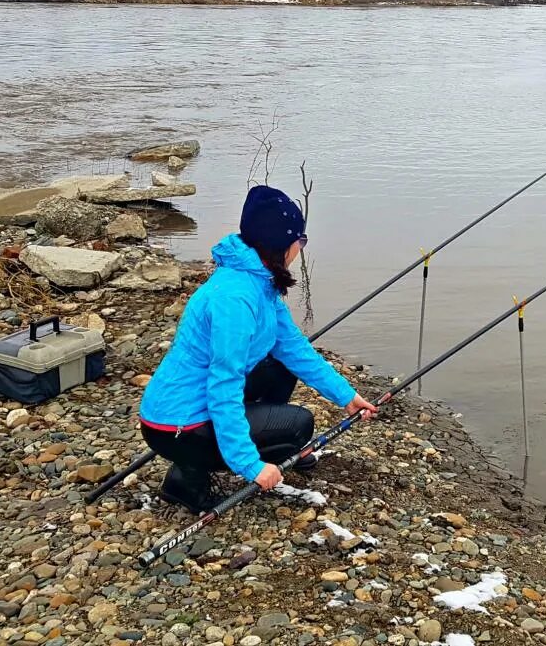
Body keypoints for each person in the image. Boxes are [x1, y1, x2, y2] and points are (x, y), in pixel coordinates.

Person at [138, 185, 377, 513]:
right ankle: (188, 481)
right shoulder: (236, 300)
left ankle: (240, 442)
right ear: (282, 244)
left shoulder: (258, 281)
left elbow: (295, 349)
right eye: (301, 240)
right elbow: (224, 385)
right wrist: (250, 464)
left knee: (281, 367)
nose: (301, 248)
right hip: (176, 426)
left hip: (189, 408)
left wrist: (346, 397)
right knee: (299, 425)